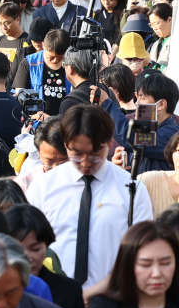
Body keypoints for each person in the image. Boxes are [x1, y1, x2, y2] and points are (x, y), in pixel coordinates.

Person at [27, 105, 152, 289]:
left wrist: (97, 292)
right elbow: (28, 247)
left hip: (112, 297)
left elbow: (141, 251)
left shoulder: (131, 189)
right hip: (55, 297)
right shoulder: (43, 188)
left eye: (95, 155)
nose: (85, 163)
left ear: (110, 144)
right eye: (76, 155)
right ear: (66, 145)